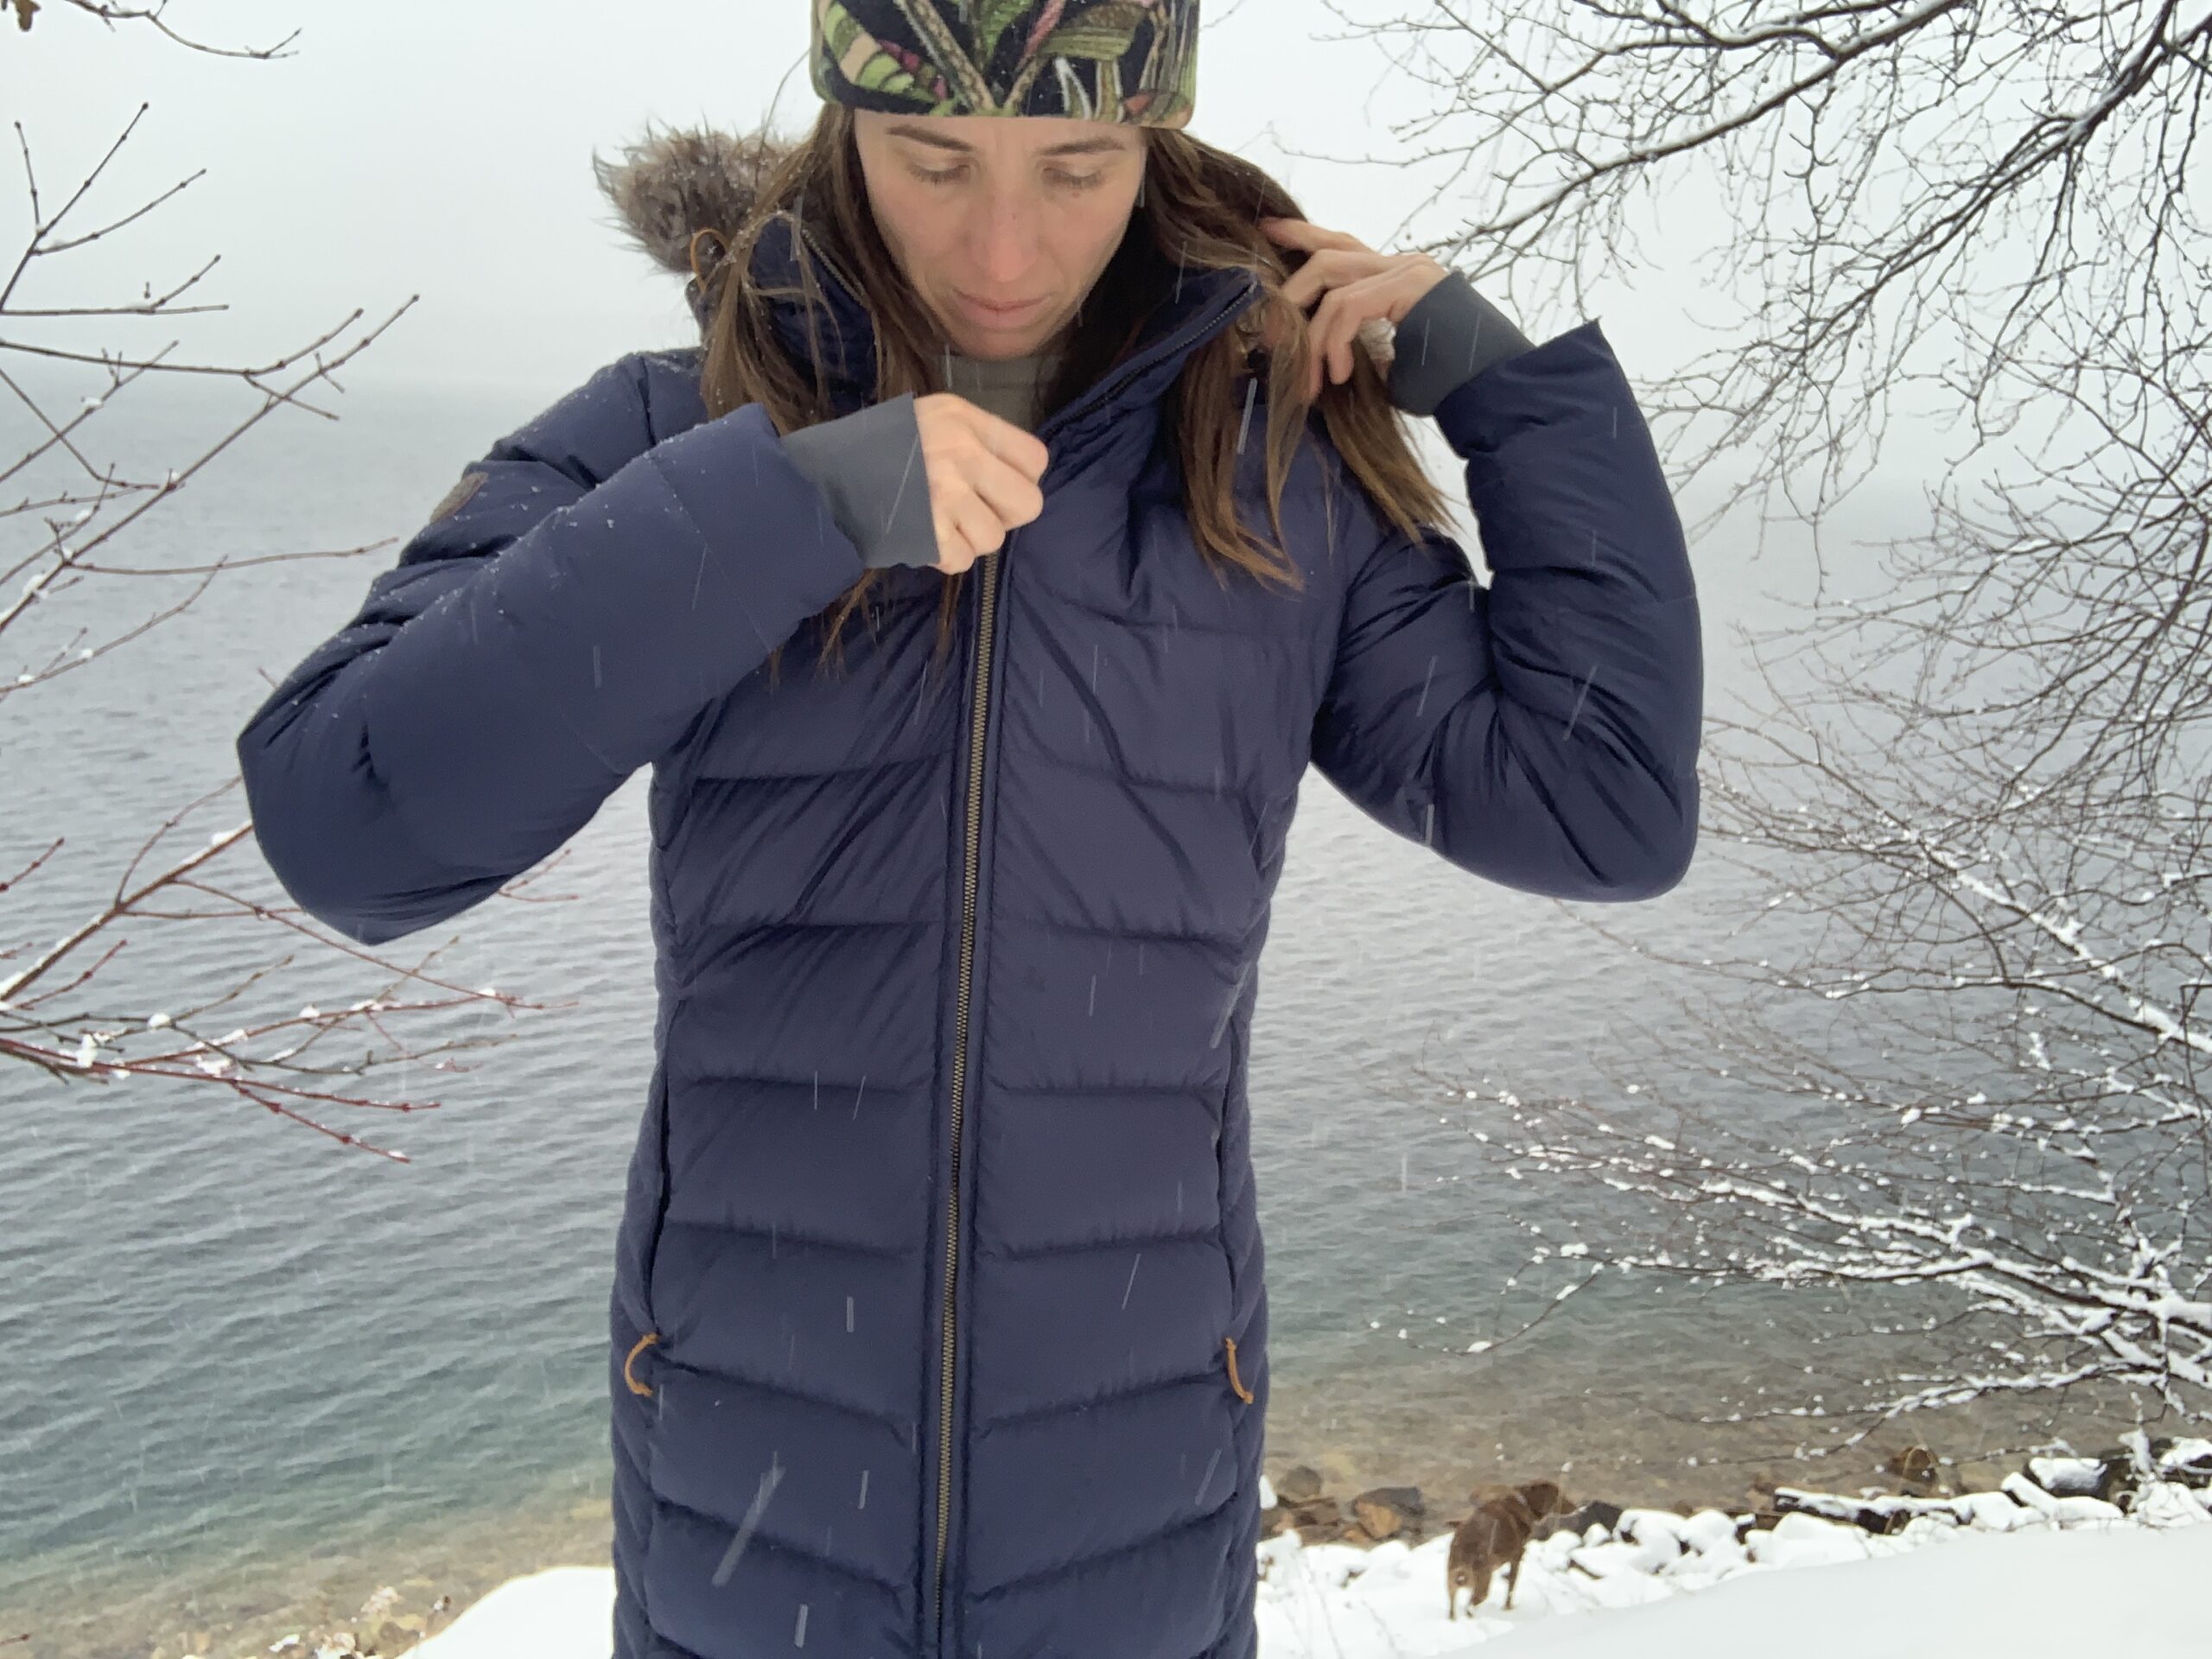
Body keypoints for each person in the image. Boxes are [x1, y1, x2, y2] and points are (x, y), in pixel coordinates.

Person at [235, 3, 1703, 1655]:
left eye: (1077, 167)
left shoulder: (1267, 472)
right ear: (844, 132)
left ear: (1151, 148)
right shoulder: (677, 435)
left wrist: (1520, 402)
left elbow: (1603, 810)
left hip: (1137, 1495)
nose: (1004, 246)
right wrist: (791, 509)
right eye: (936, 160)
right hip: (749, 1493)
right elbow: (341, 820)